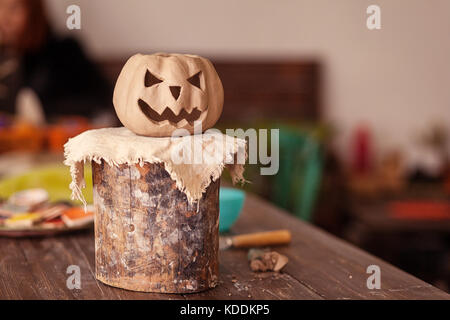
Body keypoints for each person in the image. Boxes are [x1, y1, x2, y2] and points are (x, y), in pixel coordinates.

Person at [0, 0, 111, 121]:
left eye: (14, 9)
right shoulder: (5, 56)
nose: (4, 17)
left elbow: (97, 101)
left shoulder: (64, 50)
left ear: (33, 14)